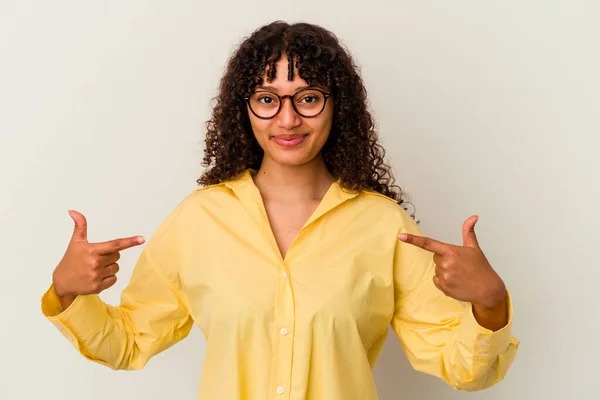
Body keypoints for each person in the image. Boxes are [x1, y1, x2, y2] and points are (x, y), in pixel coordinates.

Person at [41, 21, 519, 399]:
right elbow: (128, 342)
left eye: (308, 98)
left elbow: (463, 369)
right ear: (243, 109)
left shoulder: (383, 225)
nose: (288, 119)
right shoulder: (200, 220)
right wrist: (67, 292)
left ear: (338, 107)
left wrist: (489, 304)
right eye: (267, 99)